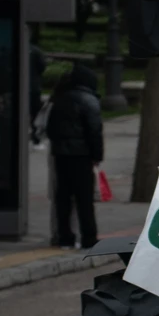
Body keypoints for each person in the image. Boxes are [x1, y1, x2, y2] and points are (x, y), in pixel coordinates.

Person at [45, 65, 104, 250]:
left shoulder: (59, 99)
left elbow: (50, 128)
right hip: (82, 155)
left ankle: (65, 237)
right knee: (84, 199)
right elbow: (94, 131)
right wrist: (97, 155)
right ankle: (88, 237)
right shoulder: (89, 101)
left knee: (63, 197)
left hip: (61, 155)